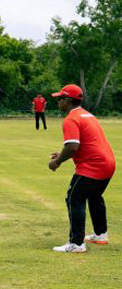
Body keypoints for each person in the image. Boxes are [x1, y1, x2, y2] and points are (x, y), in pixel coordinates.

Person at [48, 84, 115, 252]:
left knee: (74, 198)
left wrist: (57, 162)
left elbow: (72, 147)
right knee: (94, 196)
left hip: (93, 166)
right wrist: (61, 153)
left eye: (60, 99)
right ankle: (100, 234)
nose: (58, 102)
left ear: (68, 101)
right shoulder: (87, 115)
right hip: (107, 163)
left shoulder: (71, 118)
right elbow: (81, 144)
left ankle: (76, 243)